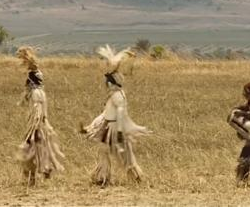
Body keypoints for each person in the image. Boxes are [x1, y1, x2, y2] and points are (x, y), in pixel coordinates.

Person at [81, 45, 151, 186]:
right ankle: (103, 176)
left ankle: (109, 177)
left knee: (122, 154)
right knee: (109, 152)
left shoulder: (116, 96)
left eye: (106, 83)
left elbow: (118, 113)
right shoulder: (116, 95)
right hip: (111, 127)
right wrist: (90, 127)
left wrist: (118, 132)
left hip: (114, 129)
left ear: (110, 84)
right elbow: (106, 114)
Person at [15, 46, 65, 186]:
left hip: (36, 127)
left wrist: (34, 126)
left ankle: (32, 177)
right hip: (42, 127)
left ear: (30, 82)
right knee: (40, 150)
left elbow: (37, 111)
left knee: (29, 151)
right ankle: (41, 171)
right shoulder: (41, 92)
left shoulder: (36, 94)